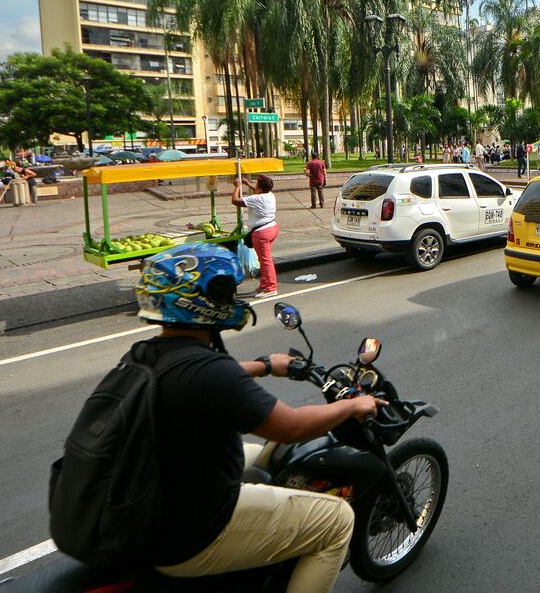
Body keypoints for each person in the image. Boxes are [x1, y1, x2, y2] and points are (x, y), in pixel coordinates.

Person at [126, 243, 382, 590]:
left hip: (153, 496)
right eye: (227, 292)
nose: (234, 299)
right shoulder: (212, 371)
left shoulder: (144, 355)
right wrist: (351, 406)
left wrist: (264, 366)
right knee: (336, 521)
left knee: (264, 456)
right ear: (203, 302)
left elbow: (195, 375)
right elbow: (292, 427)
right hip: (188, 531)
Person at [232, 175, 278, 299]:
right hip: (272, 228)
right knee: (264, 260)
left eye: (256, 183)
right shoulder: (270, 195)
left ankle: (270, 288)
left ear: (260, 187)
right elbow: (259, 191)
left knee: (265, 260)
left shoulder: (256, 199)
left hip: (262, 232)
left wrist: (237, 187)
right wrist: (248, 184)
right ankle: (264, 285)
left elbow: (235, 201)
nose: (255, 185)